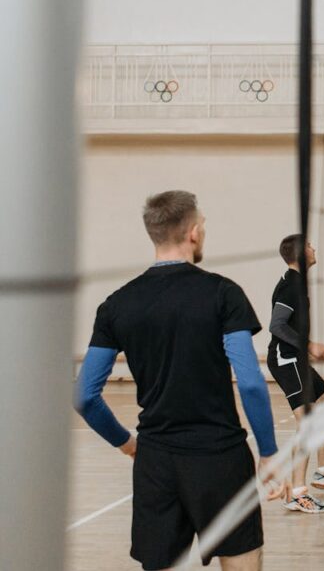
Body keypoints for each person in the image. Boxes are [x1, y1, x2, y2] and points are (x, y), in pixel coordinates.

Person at [74, 190, 285, 570]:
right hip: (220, 459)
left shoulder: (116, 304)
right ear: (192, 232)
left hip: (156, 461)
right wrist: (268, 451)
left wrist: (127, 444)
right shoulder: (223, 293)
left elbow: (85, 397)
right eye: (202, 224)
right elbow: (251, 383)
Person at [268, 234, 324, 514]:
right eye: (309, 245)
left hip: (296, 359)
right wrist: (309, 345)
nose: (314, 248)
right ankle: (297, 493)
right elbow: (277, 325)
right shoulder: (291, 286)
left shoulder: (297, 283)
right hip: (286, 360)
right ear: (299, 254)